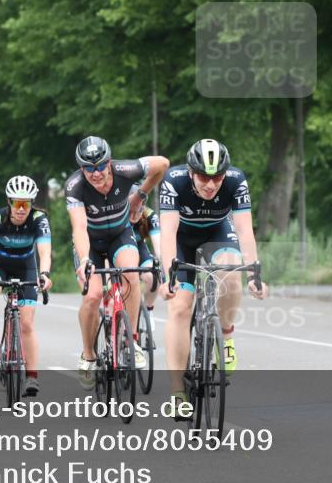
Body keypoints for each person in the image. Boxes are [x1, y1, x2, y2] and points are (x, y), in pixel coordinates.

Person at [158, 139, 266, 414]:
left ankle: (226, 339)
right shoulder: (174, 180)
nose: (211, 184)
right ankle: (177, 391)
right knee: (181, 308)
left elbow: (244, 231)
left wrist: (254, 272)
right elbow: (168, 233)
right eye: (204, 177)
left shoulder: (236, 180)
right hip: (182, 238)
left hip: (218, 232)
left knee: (231, 274)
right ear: (192, 173)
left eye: (217, 177)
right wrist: (168, 276)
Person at [66, 136, 169, 388]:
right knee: (92, 296)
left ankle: (130, 340)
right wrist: (83, 261)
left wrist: (141, 194)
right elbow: (79, 228)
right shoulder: (75, 186)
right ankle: (88, 354)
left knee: (131, 276)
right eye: (88, 168)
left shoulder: (126, 170)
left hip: (120, 236)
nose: (96, 173)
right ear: (81, 168)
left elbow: (162, 164)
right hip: (90, 243)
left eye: (101, 166)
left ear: (109, 162)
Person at [0, 175, 52, 397]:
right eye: (17, 203)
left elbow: (44, 251)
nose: (21, 209)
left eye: (26, 203)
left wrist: (45, 274)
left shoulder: (39, 219)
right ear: (9, 201)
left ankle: (31, 377)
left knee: (27, 324)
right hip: (0, 265)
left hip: (26, 267)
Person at [131, 184, 162, 322]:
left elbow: (158, 247)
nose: (137, 209)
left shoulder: (149, 214)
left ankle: (148, 310)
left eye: (140, 205)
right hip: (116, 250)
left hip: (139, 247)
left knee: (153, 276)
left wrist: (160, 263)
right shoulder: (117, 214)